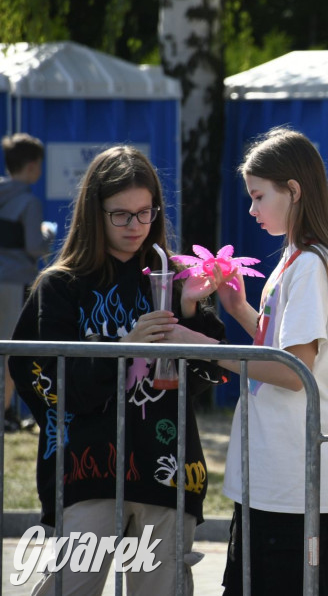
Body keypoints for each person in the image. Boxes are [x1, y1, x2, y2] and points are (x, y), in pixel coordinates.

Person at [9, 145, 226, 595]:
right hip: (86, 471)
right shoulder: (61, 284)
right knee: (73, 585)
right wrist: (123, 349)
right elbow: (46, 382)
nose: (135, 226)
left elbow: (210, 375)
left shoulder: (174, 278)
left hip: (166, 471)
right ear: (94, 212)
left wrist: (189, 312)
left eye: (145, 213)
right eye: (121, 215)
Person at [197, 127, 328, 596]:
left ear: (294, 190)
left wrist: (203, 348)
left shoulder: (308, 264)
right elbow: (284, 349)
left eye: (258, 196)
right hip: (278, 474)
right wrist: (240, 309)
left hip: (289, 479)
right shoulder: (297, 257)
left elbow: (291, 371)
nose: (251, 209)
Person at [1, 133, 56, 432]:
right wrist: (48, 232)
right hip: (14, 281)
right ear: (34, 166)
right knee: (9, 348)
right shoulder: (28, 201)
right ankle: (4, 412)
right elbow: (36, 247)